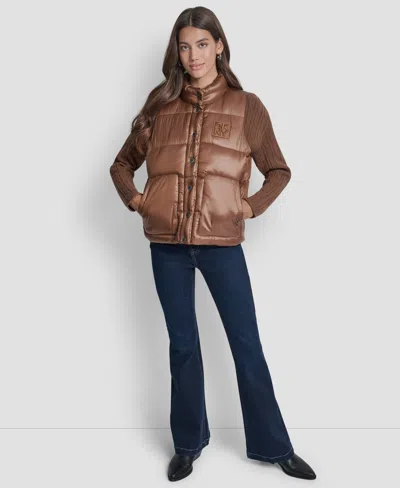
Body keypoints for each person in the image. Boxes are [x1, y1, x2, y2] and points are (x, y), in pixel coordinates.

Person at [109, 6, 316, 483]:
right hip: (167, 246)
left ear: (219, 47)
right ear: (176, 53)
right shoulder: (160, 106)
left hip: (222, 244)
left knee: (246, 344)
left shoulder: (247, 107)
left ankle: (274, 447)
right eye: (184, 47)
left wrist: (250, 207)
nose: (193, 55)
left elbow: (278, 170)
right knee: (182, 347)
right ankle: (187, 445)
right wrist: (138, 200)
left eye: (202, 45)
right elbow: (121, 164)